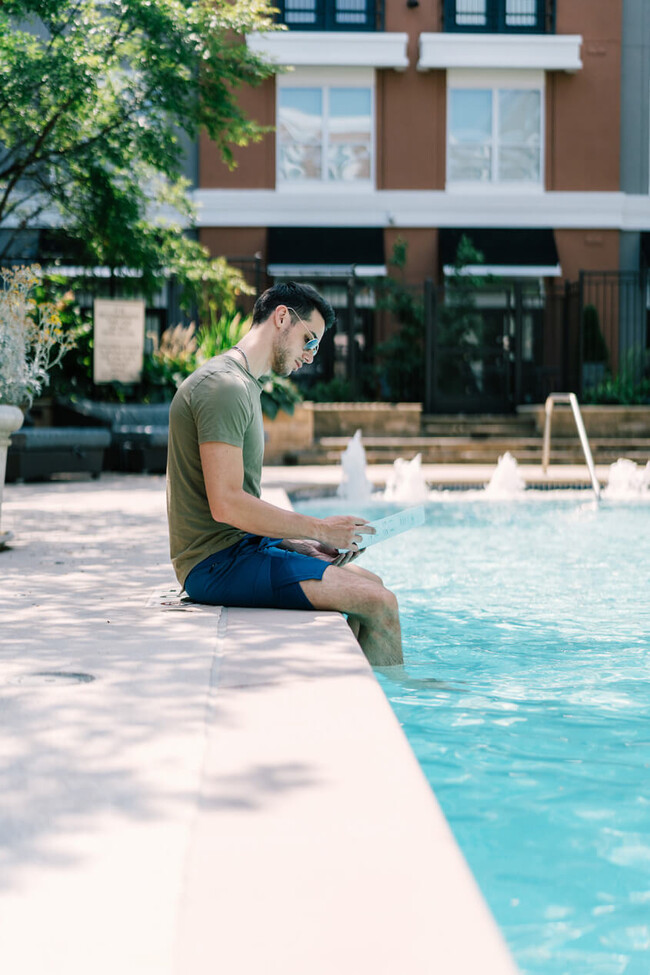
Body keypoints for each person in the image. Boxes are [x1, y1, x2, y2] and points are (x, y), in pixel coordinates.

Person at [166, 281, 403, 667]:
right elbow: (226, 504)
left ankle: (363, 694)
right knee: (380, 604)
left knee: (372, 586)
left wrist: (299, 544)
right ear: (281, 318)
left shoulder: (244, 385)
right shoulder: (223, 387)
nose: (310, 356)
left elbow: (238, 508)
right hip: (214, 566)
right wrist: (320, 530)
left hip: (240, 551)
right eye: (309, 340)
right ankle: (399, 705)